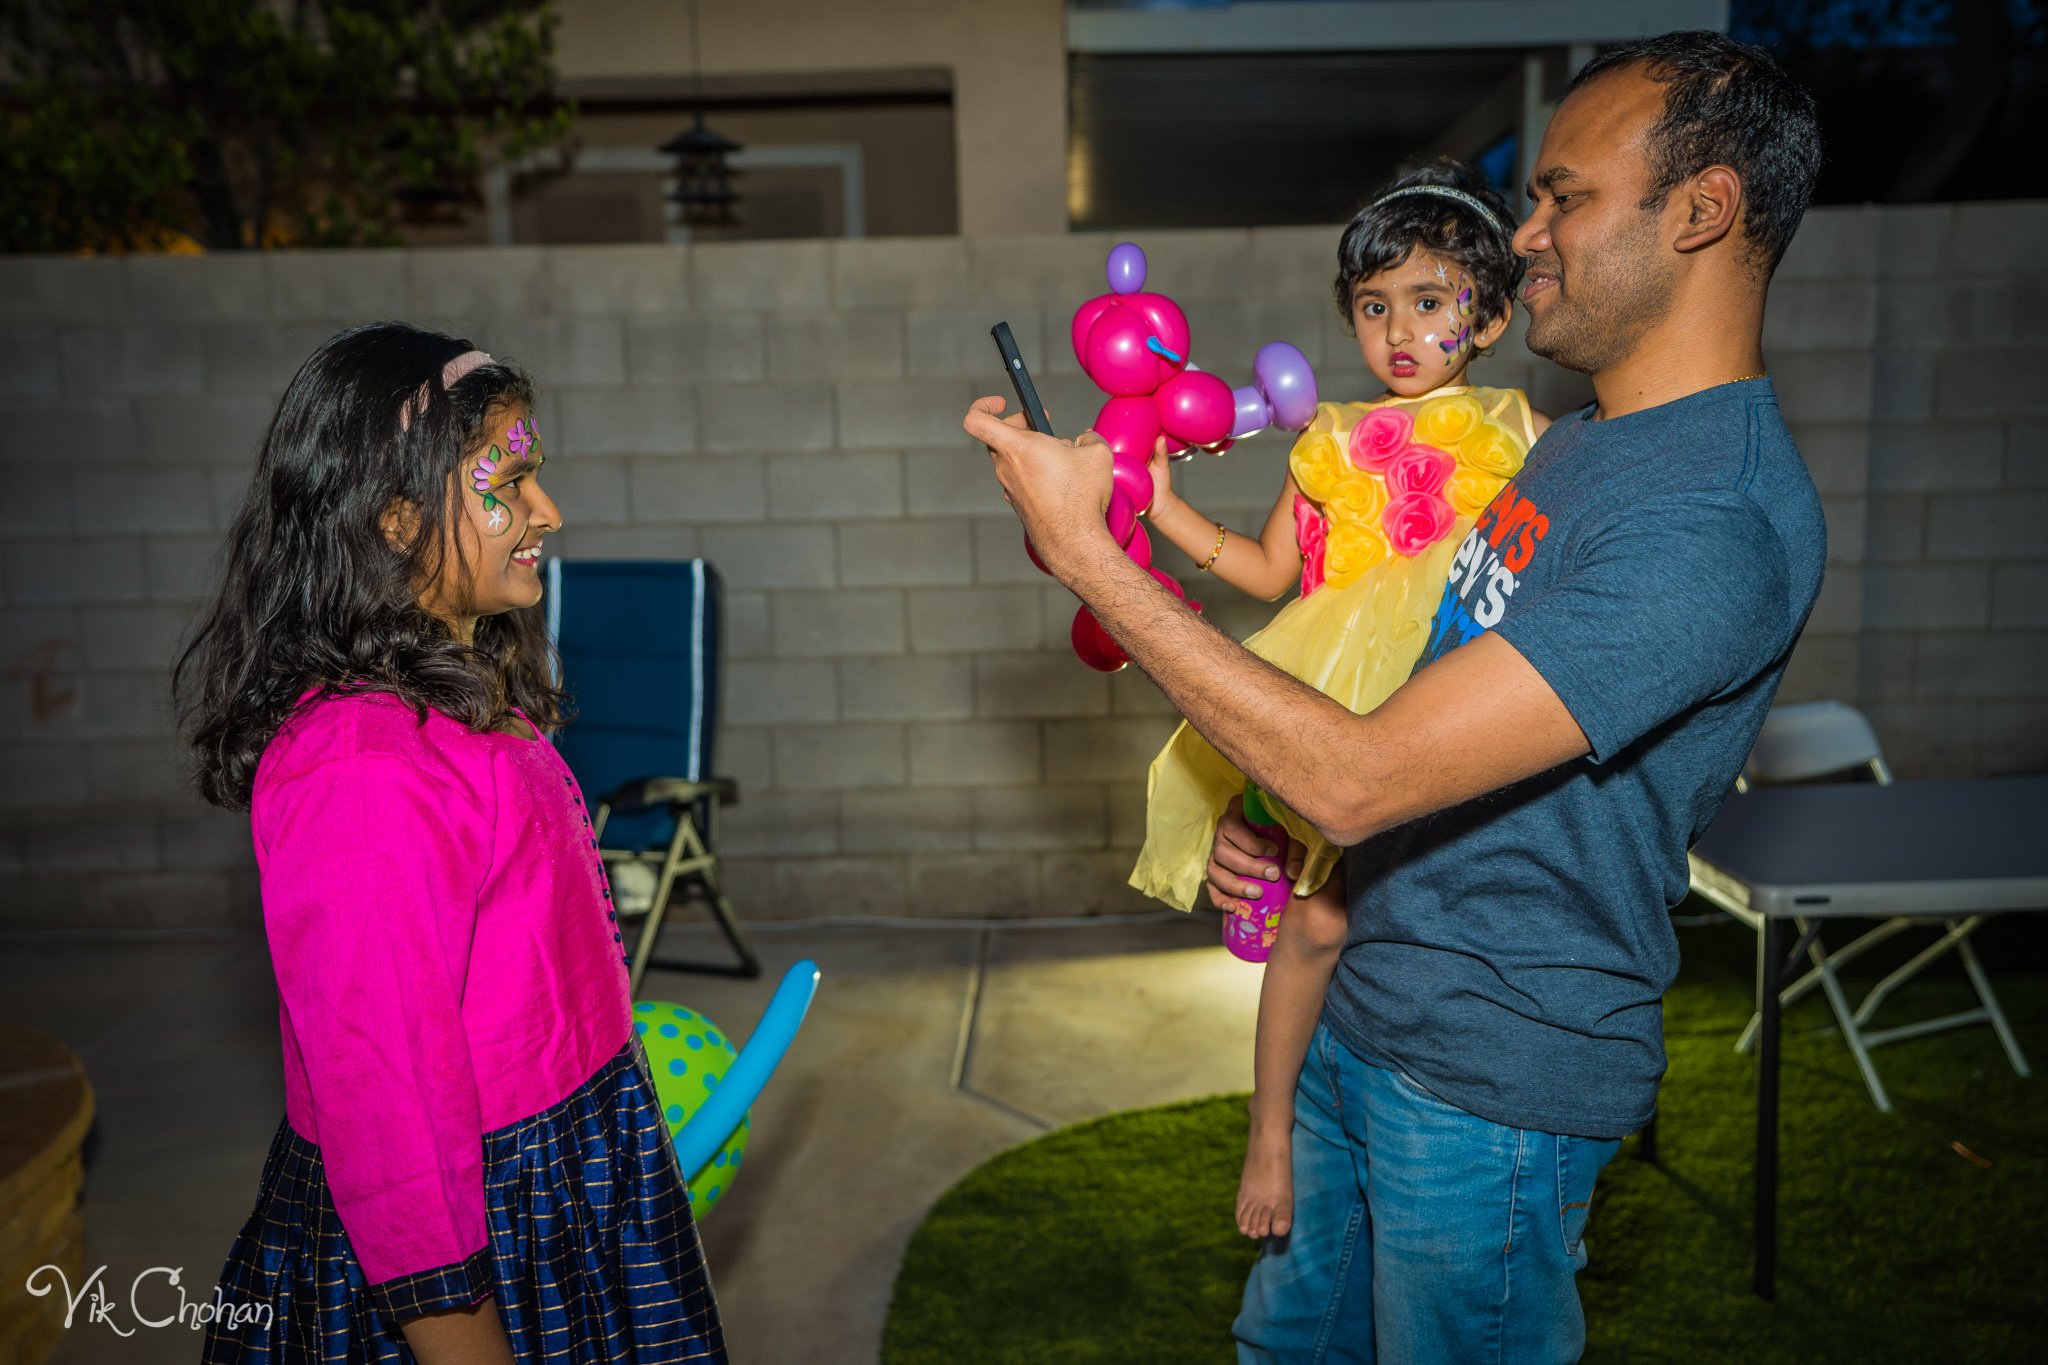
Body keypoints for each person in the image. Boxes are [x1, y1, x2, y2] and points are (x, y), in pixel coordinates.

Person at [966, 29, 1824, 1364]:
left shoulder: (1706, 524)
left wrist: (1092, 555)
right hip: (1366, 1002)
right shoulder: (1585, 449)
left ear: (1702, 211)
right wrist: (1277, 816)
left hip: (1488, 1081)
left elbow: (1361, 772)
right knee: (1290, 1345)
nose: (1526, 233)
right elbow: (1403, 718)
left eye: (1564, 195)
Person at [176, 324, 728, 1363]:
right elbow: (387, 1103)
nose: (546, 514)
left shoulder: (458, 696)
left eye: (536, 479)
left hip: (555, 1182)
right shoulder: (359, 767)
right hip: (466, 1254)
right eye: (508, 484)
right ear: (391, 519)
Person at [1127, 159, 1549, 1241]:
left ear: (1491, 315)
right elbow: (1271, 574)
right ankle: (1269, 1128)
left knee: (1415, 904)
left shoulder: (1522, 437)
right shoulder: (1325, 440)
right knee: (1313, 920)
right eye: (1373, 307)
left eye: (1428, 301)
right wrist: (1168, 509)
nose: (1397, 332)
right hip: (1335, 694)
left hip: (1448, 697)